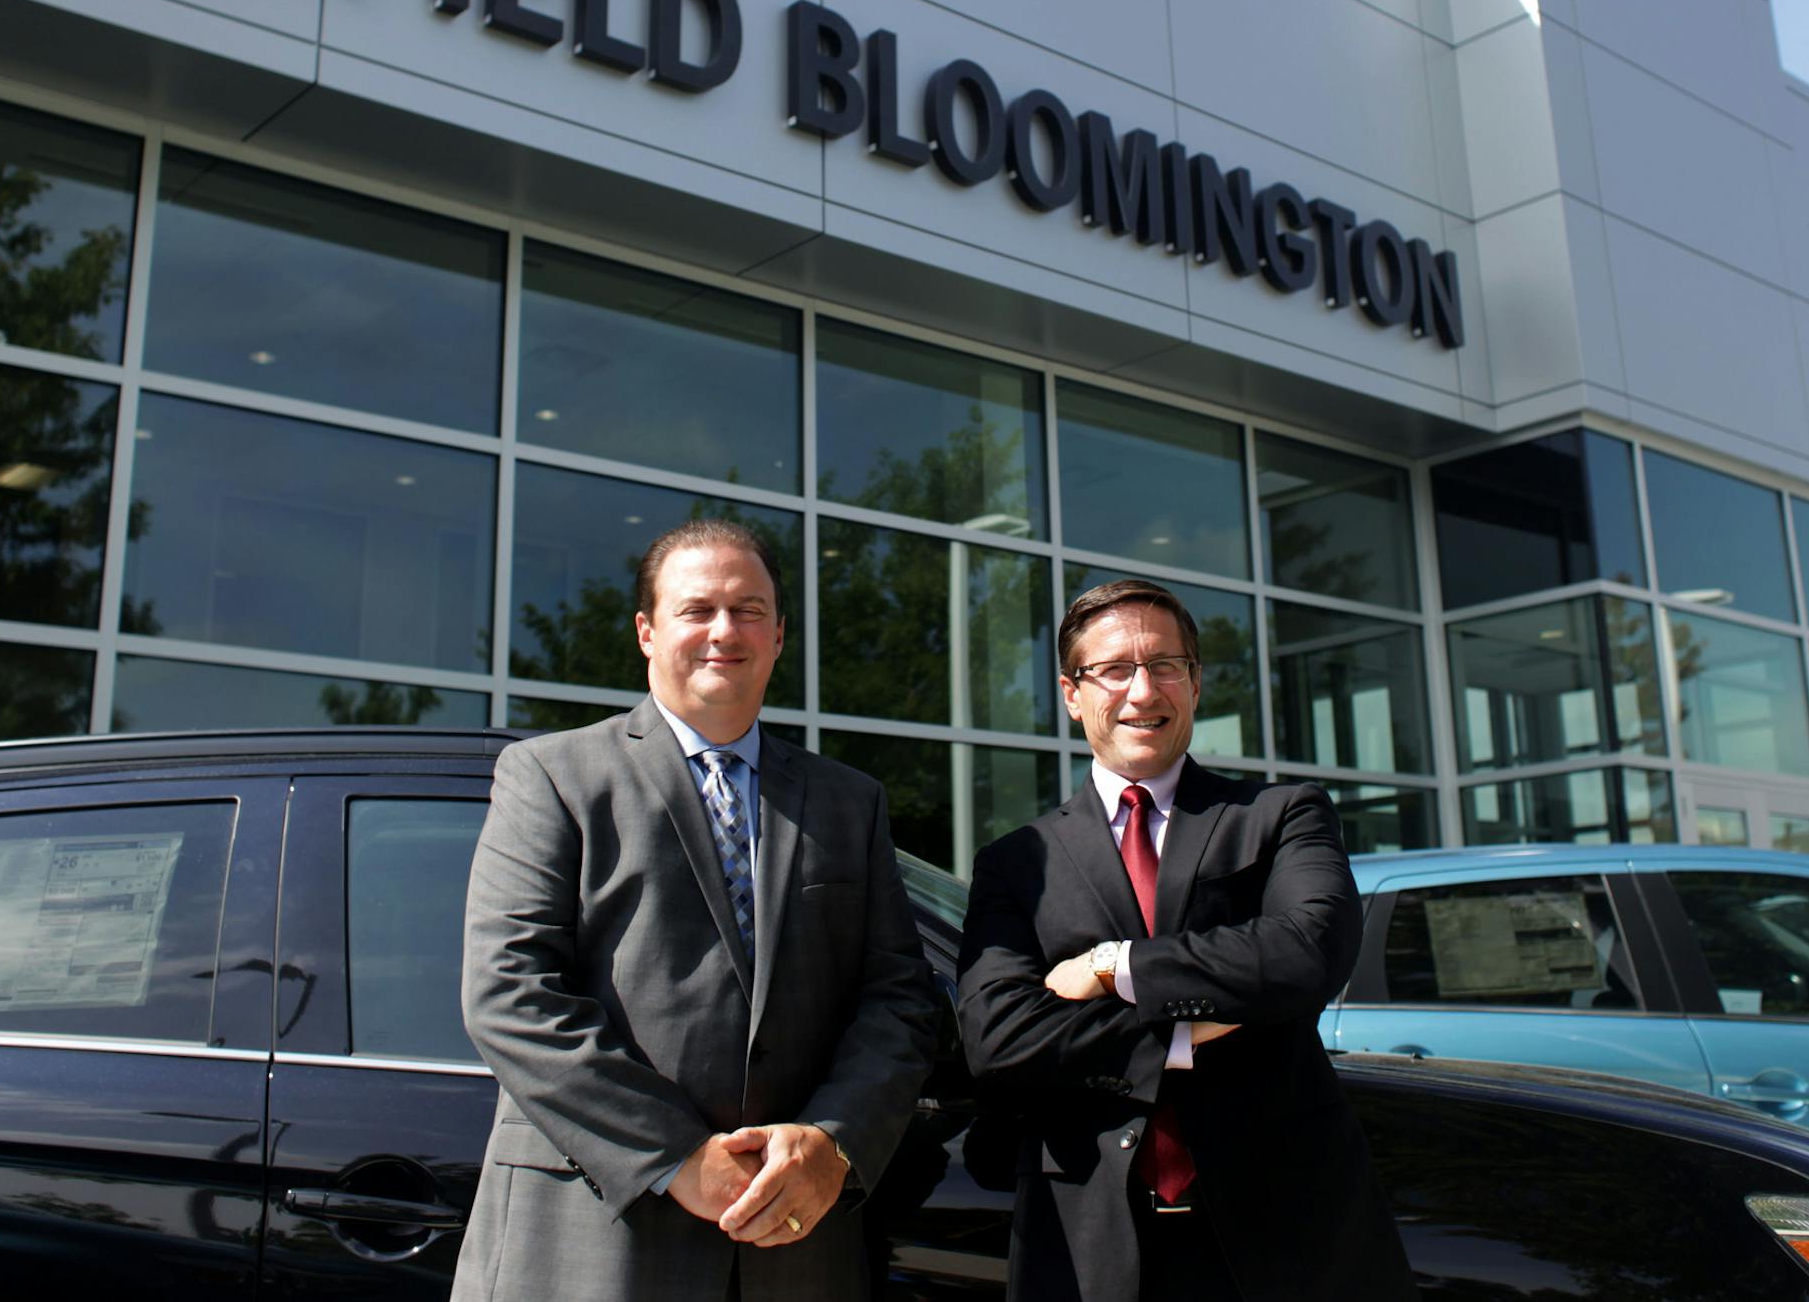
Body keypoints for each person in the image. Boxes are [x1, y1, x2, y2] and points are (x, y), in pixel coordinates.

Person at [455, 519, 940, 1302]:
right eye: (698, 609)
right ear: (648, 631)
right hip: (599, 1240)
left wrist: (832, 1142)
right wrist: (675, 1156)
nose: (725, 630)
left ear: (779, 635)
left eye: (749, 609)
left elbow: (901, 997)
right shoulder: (552, 775)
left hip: (795, 1246)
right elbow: (509, 990)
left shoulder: (852, 803)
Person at [958, 577, 1412, 1302]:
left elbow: (1307, 951)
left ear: (1195, 684)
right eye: (1113, 669)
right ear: (1073, 693)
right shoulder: (1017, 861)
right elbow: (998, 1037)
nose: (1142, 691)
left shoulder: (1278, 815)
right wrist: (1186, 1029)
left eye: (1165, 664)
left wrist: (1115, 966)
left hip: (1285, 1233)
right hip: (1089, 1239)